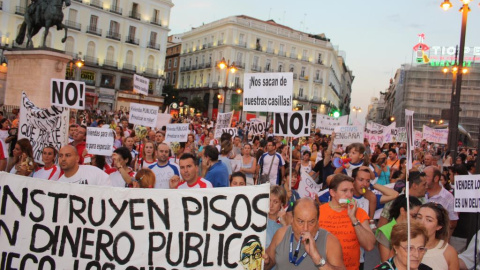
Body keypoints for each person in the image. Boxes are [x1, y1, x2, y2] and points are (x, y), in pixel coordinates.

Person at [263, 198, 345, 270]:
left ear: (318, 222)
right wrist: (265, 263)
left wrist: (317, 258)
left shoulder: (330, 242)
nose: (305, 228)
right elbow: (268, 264)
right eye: (300, 221)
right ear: (292, 219)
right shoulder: (281, 234)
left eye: (311, 222)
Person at [317, 174, 376, 270]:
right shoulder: (318, 212)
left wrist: (353, 219)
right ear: (332, 192)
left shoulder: (359, 213)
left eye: (351, 190)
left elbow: (369, 245)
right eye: (344, 191)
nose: (349, 195)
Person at [376, 195, 423, 261]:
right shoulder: (385, 230)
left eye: (418, 217)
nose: (416, 220)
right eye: (413, 216)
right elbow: (386, 261)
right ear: (402, 211)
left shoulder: (417, 229)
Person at [415, 202, 459, 270]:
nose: (421, 223)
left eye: (429, 220)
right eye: (419, 217)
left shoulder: (449, 252)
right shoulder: (402, 245)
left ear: (439, 226)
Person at [424, 166, 458, 237]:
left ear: (436, 178)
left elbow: (453, 222)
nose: (423, 179)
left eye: (426, 176)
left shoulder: (448, 197)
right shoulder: (419, 192)